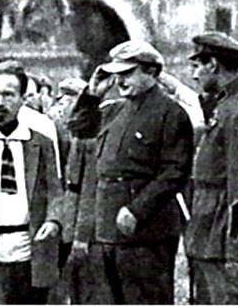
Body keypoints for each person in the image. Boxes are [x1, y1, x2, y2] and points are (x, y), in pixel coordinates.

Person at [67, 40, 194, 304]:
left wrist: (138, 209)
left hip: (148, 233)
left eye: (128, 73)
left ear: (152, 72)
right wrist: (92, 94)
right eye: (116, 74)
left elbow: (174, 172)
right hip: (108, 230)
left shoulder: (171, 113)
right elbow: (78, 128)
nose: (120, 81)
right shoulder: (114, 109)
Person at [0, 60, 63, 304]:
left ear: (22, 98)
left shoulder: (40, 141)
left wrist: (53, 219)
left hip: (31, 248)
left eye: (8, 95)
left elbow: (56, 190)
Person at [184, 32, 238, 305]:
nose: (194, 75)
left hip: (220, 238)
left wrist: (237, 249)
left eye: (197, 66)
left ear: (213, 65)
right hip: (208, 231)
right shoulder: (227, 104)